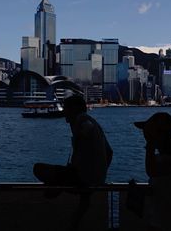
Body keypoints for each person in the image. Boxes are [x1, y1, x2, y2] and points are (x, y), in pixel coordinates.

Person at [33, 95, 113, 231]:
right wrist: (99, 173)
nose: (63, 111)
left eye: (66, 108)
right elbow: (109, 152)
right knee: (82, 201)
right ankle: (73, 219)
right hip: (95, 178)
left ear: (74, 109)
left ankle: (61, 185)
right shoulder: (95, 124)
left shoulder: (82, 119)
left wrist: (82, 134)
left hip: (82, 177)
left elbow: (87, 127)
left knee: (38, 168)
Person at [134, 112, 171, 231]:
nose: (144, 135)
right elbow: (166, 186)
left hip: (168, 224)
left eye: (148, 132)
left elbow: (151, 171)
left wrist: (150, 144)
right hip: (162, 222)